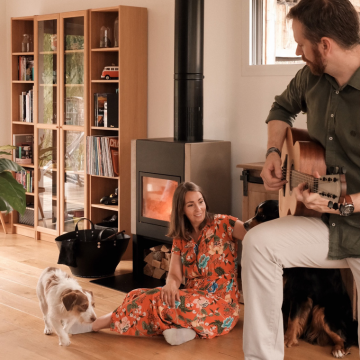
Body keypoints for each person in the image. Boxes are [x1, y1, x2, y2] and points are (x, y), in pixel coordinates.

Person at [241, 0, 360, 359]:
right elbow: (281, 108)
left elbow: (346, 199)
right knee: (259, 244)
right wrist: (274, 153)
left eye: (300, 44)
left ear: (324, 45)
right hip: (330, 221)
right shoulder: (311, 77)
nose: (297, 51)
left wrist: (345, 202)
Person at [70, 181, 246, 345]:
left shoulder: (225, 223)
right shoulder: (181, 236)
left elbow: (253, 236)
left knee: (158, 301)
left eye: (200, 202)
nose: (198, 208)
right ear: (181, 209)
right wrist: (170, 284)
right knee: (135, 295)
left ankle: (94, 324)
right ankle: (186, 330)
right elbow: (175, 274)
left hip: (221, 307)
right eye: (191, 205)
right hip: (193, 296)